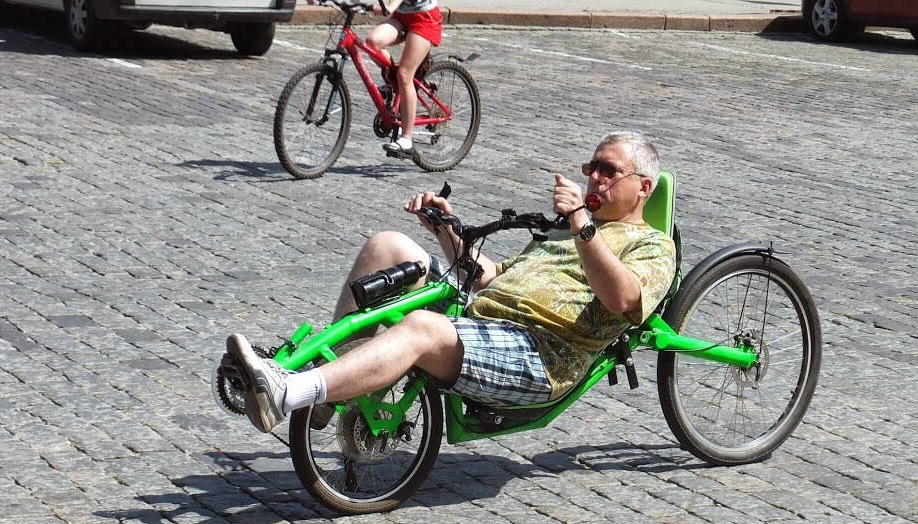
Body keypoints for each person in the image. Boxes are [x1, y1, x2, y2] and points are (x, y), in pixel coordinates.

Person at [224, 131, 677, 434]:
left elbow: (622, 299)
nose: (594, 177)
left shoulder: (652, 245)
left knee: (423, 327)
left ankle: (291, 393)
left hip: (542, 356)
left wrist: (581, 223)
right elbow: (490, 279)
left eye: (608, 170)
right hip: (485, 324)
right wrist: (446, 228)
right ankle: (330, 395)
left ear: (644, 187)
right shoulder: (565, 231)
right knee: (388, 245)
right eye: (591, 167)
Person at [308, 0, 443, 157]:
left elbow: (390, 6)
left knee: (405, 75)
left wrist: (382, 7)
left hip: (425, 19)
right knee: (373, 42)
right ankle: (395, 84)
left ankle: (406, 140)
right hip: (402, 16)